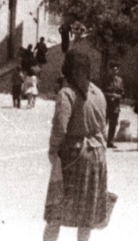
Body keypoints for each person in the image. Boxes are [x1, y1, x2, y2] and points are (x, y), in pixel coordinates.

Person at [43, 47, 108, 241]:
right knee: (86, 214)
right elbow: (103, 127)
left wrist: (53, 151)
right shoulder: (98, 93)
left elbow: (60, 127)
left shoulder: (66, 93)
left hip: (74, 155)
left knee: (56, 210)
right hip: (97, 156)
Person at [103, 62, 124, 149]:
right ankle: (101, 141)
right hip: (106, 104)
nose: (115, 71)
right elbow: (101, 92)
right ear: (110, 70)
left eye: (116, 69)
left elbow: (123, 92)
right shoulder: (105, 80)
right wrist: (110, 95)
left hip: (115, 105)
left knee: (113, 123)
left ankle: (110, 141)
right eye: (113, 69)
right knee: (103, 123)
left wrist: (118, 96)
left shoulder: (120, 80)